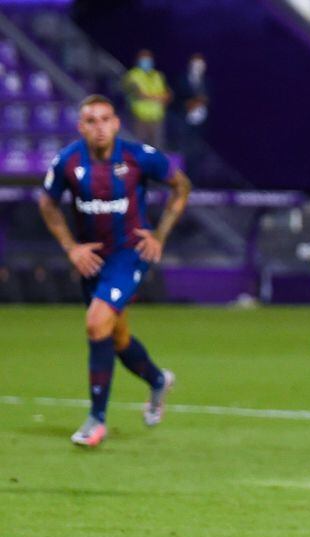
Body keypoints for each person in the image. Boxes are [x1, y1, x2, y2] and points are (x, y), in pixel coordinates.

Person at [38, 94, 191, 446]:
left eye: (106, 119)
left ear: (117, 123)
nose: (100, 127)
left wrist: (160, 235)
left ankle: (97, 420)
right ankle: (157, 381)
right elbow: (47, 203)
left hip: (128, 254)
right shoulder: (68, 161)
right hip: (92, 260)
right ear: (81, 127)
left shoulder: (138, 157)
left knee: (96, 323)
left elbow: (181, 186)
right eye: (91, 121)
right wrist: (71, 248)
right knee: (117, 337)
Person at [121, 49, 171, 149]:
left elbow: (168, 95)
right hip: (140, 117)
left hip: (157, 118)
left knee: (157, 148)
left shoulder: (158, 75)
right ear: (138, 60)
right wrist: (158, 97)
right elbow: (139, 94)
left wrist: (154, 97)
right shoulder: (132, 75)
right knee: (138, 147)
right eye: (143, 58)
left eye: (148, 58)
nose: (146, 61)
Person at [175, 53, 210, 183]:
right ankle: (182, 177)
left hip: (201, 122)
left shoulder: (206, 81)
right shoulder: (182, 79)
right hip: (185, 120)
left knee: (198, 150)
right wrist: (188, 103)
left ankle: (196, 179)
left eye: (201, 63)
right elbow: (177, 97)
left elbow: (210, 97)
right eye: (196, 63)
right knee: (185, 149)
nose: (198, 66)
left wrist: (203, 101)